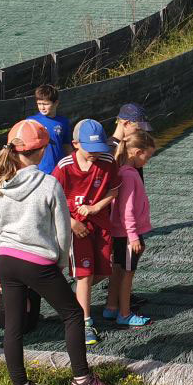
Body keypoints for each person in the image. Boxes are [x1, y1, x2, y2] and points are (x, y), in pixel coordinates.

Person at [0, 119, 111, 385]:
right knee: (73, 314)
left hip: (6, 261)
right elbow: (63, 231)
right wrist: (60, 264)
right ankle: (82, 380)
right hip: (39, 262)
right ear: (42, 151)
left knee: (14, 326)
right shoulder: (49, 184)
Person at [52, 119, 119, 345]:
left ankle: (75, 299)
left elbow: (114, 190)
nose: (94, 153)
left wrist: (96, 207)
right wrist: (71, 223)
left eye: (99, 148)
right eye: (90, 149)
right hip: (76, 228)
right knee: (85, 274)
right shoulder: (64, 167)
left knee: (102, 271)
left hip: (101, 225)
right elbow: (52, 199)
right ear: (75, 144)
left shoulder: (107, 161)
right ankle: (85, 323)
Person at [103, 130, 155, 327]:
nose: (146, 162)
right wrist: (133, 236)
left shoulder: (122, 171)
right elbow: (127, 209)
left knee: (117, 269)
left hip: (120, 232)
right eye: (146, 157)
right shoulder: (129, 175)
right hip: (127, 233)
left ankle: (111, 307)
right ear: (137, 152)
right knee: (127, 273)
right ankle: (124, 313)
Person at [26, 84, 70, 173]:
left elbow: (67, 145)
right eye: (39, 104)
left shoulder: (63, 122)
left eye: (46, 104)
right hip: (39, 170)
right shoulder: (31, 121)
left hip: (59, 169)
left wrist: (72, 165)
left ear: (56, 103)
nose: (42, 107)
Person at [110, 102, 152, 173]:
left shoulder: (134, 145)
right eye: (138, 129)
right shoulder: (110, 150)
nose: (141, 133)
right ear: (126, 124)